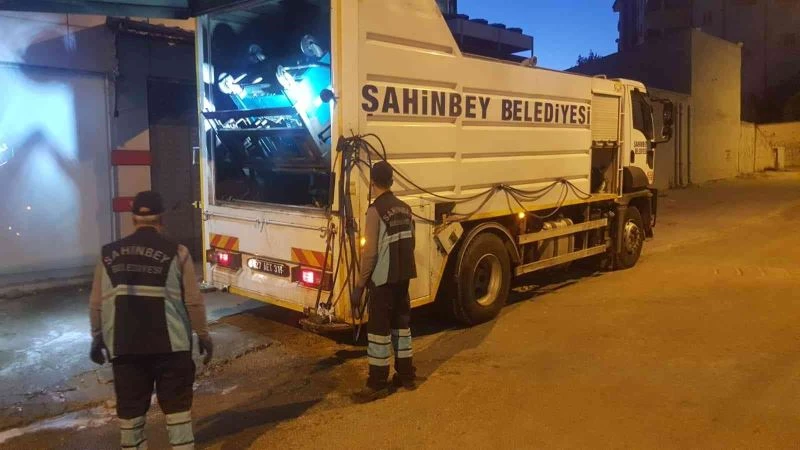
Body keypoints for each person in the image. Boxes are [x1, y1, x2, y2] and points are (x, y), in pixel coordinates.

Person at [88, 191, 212, 450]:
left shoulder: (107, 254)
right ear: (161, 218)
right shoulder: (178, 253)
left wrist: (97, 337)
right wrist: (203, 335)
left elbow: (96, 303)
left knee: (131, 412)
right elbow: (193, 301)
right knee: (177, 410)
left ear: (133, 218)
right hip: (172, 347)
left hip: (125, 347)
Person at [352, 161, 418, 402]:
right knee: (401, 325)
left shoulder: (375, 210)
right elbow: (412, 242)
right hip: (403, 277)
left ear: (372, 182)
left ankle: (377, 382)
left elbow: (370, 253)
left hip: (382, 281)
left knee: (379, 332)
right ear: (391, 181)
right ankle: (406, 376)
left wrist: (360, 285)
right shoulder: (406, 209)